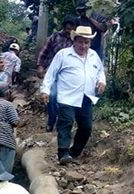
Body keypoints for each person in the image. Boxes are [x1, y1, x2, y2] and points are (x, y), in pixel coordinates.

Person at [39, 26, 106, 165]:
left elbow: (100, 72)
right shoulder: (63, 55)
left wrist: (101, 81)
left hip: (87, 97)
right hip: (67, 96)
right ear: (74, 41)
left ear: (90, 43)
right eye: (80, 42)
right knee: (66, 122)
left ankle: (74, 153)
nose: (83, 45)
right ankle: (63, 153)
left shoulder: (94, 56)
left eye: (86, 42)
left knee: (86, 127)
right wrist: (45, 90)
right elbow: (51, 73)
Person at [36, 16, 76, 132]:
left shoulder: (76, 40)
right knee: (52, 96)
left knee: (65, 99)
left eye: (71, 29)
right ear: (64, 27)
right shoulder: (55, 37)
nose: (69, 32)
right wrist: (40, 66)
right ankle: (51, 121)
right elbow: (45, 51)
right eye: (67, 29)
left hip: (69, 75)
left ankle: (63, 123)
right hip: (53, 72)